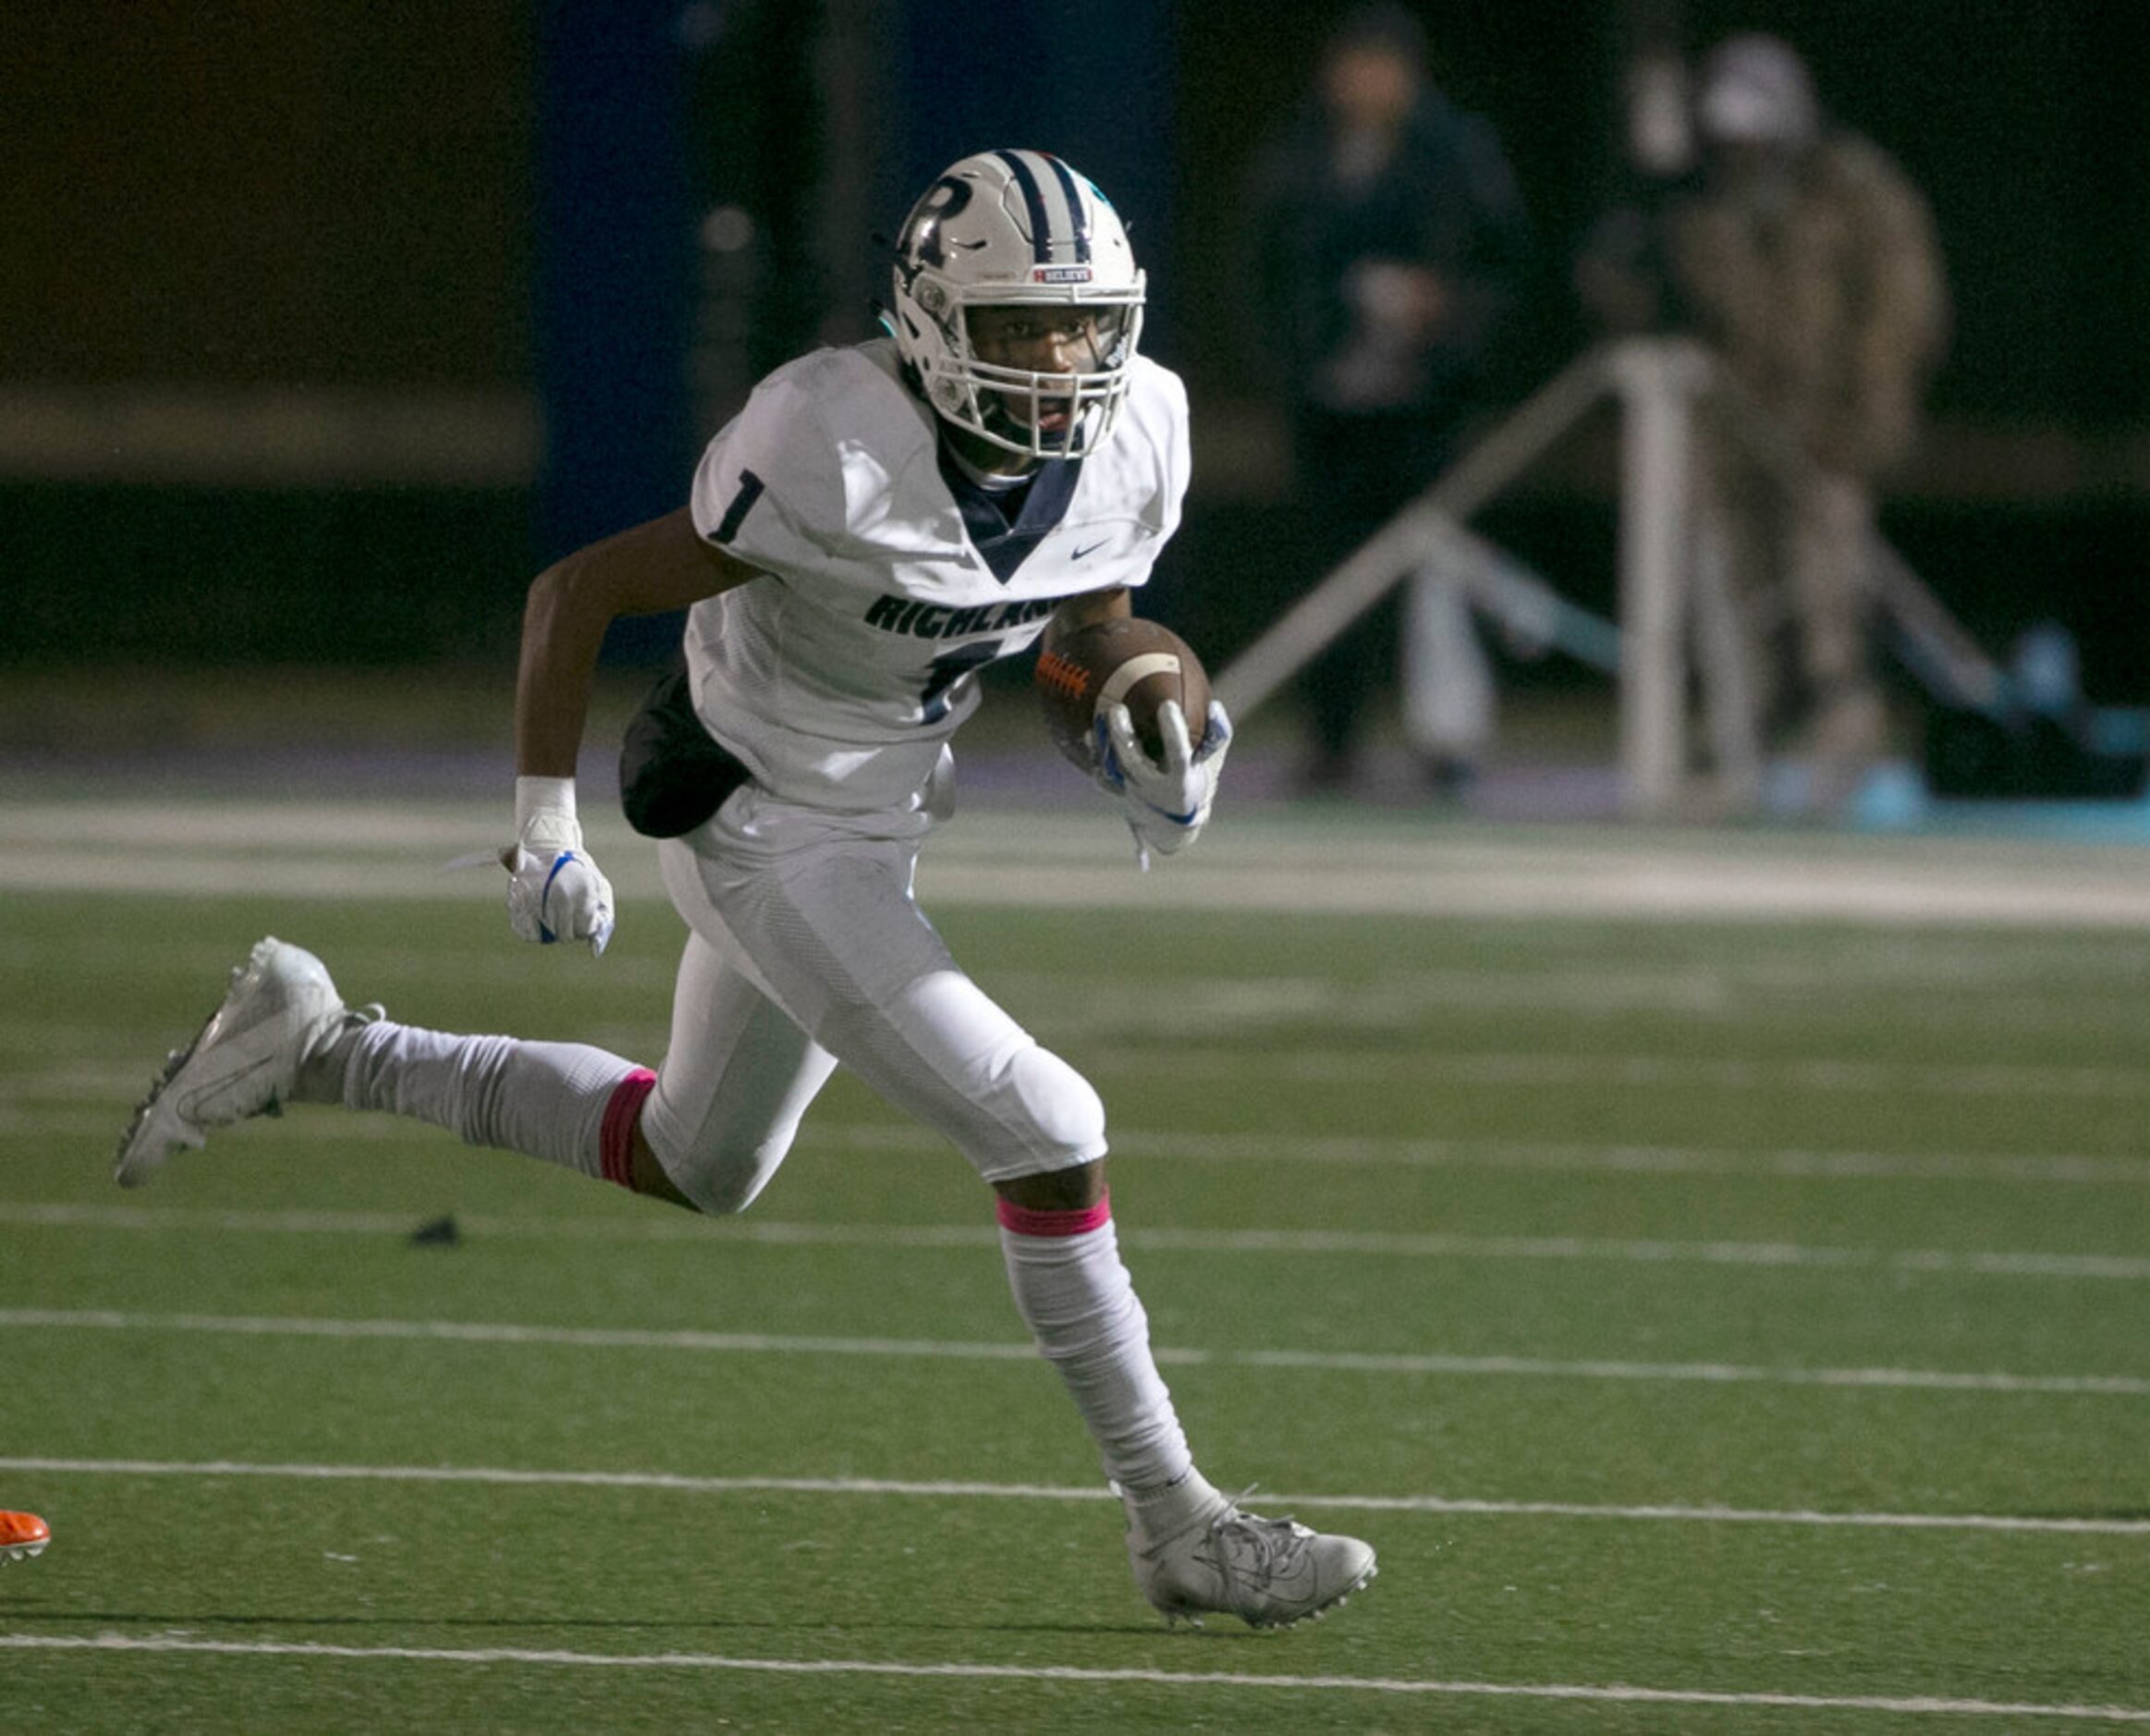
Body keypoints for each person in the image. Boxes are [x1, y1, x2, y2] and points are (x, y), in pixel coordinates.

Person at [115, 150, 1375, 1631]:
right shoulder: (825, 434)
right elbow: (574, 592)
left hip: (878, 817)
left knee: (698, 1155)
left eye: (1084, 324)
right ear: (925, 320)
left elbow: (1082, 623)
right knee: (1051, 1126)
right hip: (758, 822)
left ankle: (314, 1044)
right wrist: (543, 824)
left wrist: (1151, 711)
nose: (1062, 360)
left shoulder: (1138, 427)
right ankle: (1180, 1521)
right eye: (1025, 325)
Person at [1583, 34, 1949, 814]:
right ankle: (1734, 743)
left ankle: (1840, 738)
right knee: (1731, 584)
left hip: (1828, 428)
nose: (1745, 151)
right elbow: (1643, 299)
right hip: (1731, 424)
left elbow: (1903, 311)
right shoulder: (1701, 201)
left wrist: (1863, 424)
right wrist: (1637, 227)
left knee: (1826, 591)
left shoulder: (1854, 191)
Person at [1243, 3, 1534, 795]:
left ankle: (1448, 741)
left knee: (1437, 575)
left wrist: (1445, 320)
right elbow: (1268, 271)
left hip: (1426, 407)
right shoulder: (1302, 157)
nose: (1366, 82)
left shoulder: (1455, 156)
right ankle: (1331, 740)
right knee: (1330, 575)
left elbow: (1503, 272)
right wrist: (1302, 358)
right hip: (1331, 404)